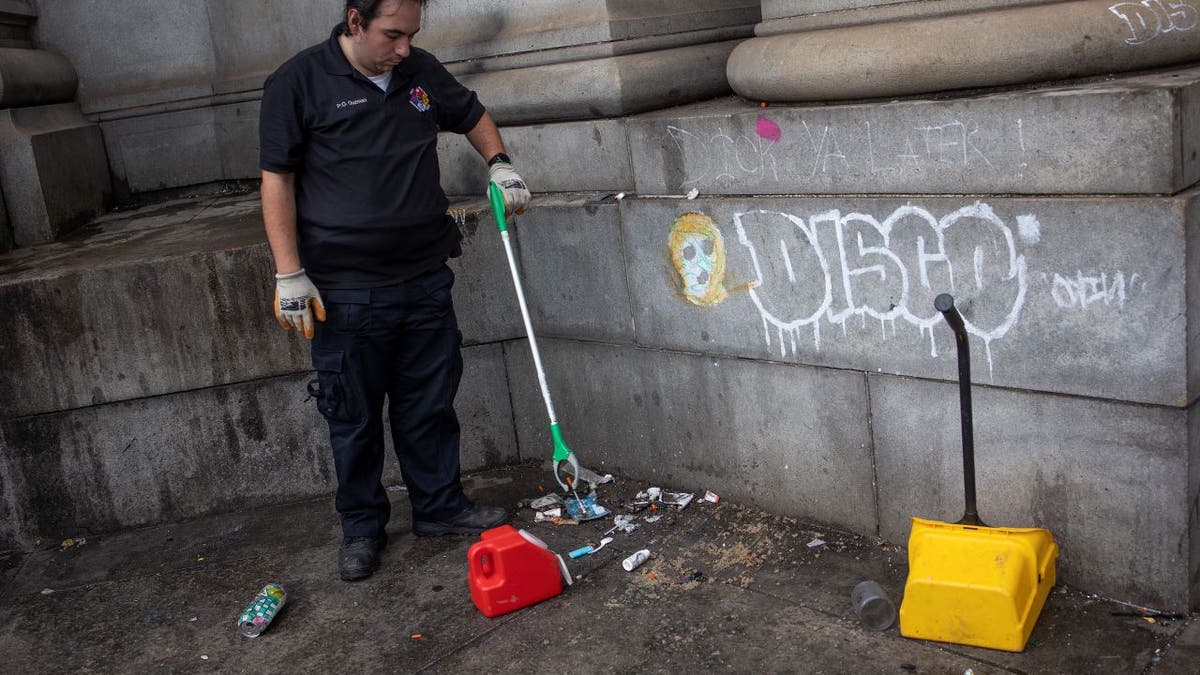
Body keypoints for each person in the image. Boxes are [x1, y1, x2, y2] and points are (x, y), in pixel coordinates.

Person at [258, 0, 531, 581]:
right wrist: (288, 272)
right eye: (392, 34)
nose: (403, 47)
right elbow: (276, 179)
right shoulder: (298, 82)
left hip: (424, 277)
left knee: (429, 404)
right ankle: (361, 529)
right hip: (343, 291)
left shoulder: (419, 73)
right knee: (352, 419)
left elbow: (472, 113)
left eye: (411, 34)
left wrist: (500, 164)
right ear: (354, 21)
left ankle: (438, 506)